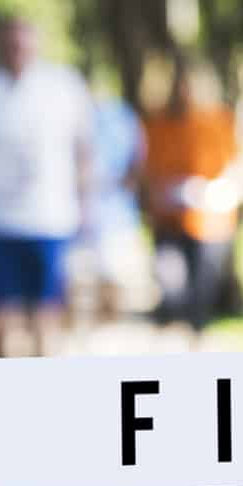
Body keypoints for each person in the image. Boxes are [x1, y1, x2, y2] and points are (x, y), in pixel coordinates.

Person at [0, 13, 94, 358]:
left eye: (24, 43)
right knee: (0, 323)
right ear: (0, 46)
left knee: (47, 319)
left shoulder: (63, 86)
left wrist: (86, 202)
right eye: (11, 44)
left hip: (51, 219)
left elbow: (84, 149)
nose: (18, 50)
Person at [141, 59, 243, 347]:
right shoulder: (158, 123)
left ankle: (196, 345)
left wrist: (220, 192)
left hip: (210, 223)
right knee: (171, 287)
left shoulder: (220, 121)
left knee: (200, 296)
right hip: (169, 219)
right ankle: (172, 338)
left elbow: (238, 168)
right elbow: (147, 170)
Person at [69, 78, 150, 330]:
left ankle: (106, 331)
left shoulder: (121, 117)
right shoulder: (69, 119)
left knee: (113, 278)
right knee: (76, 281)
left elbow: (138, 158)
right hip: (76, 214)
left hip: (115, 214)